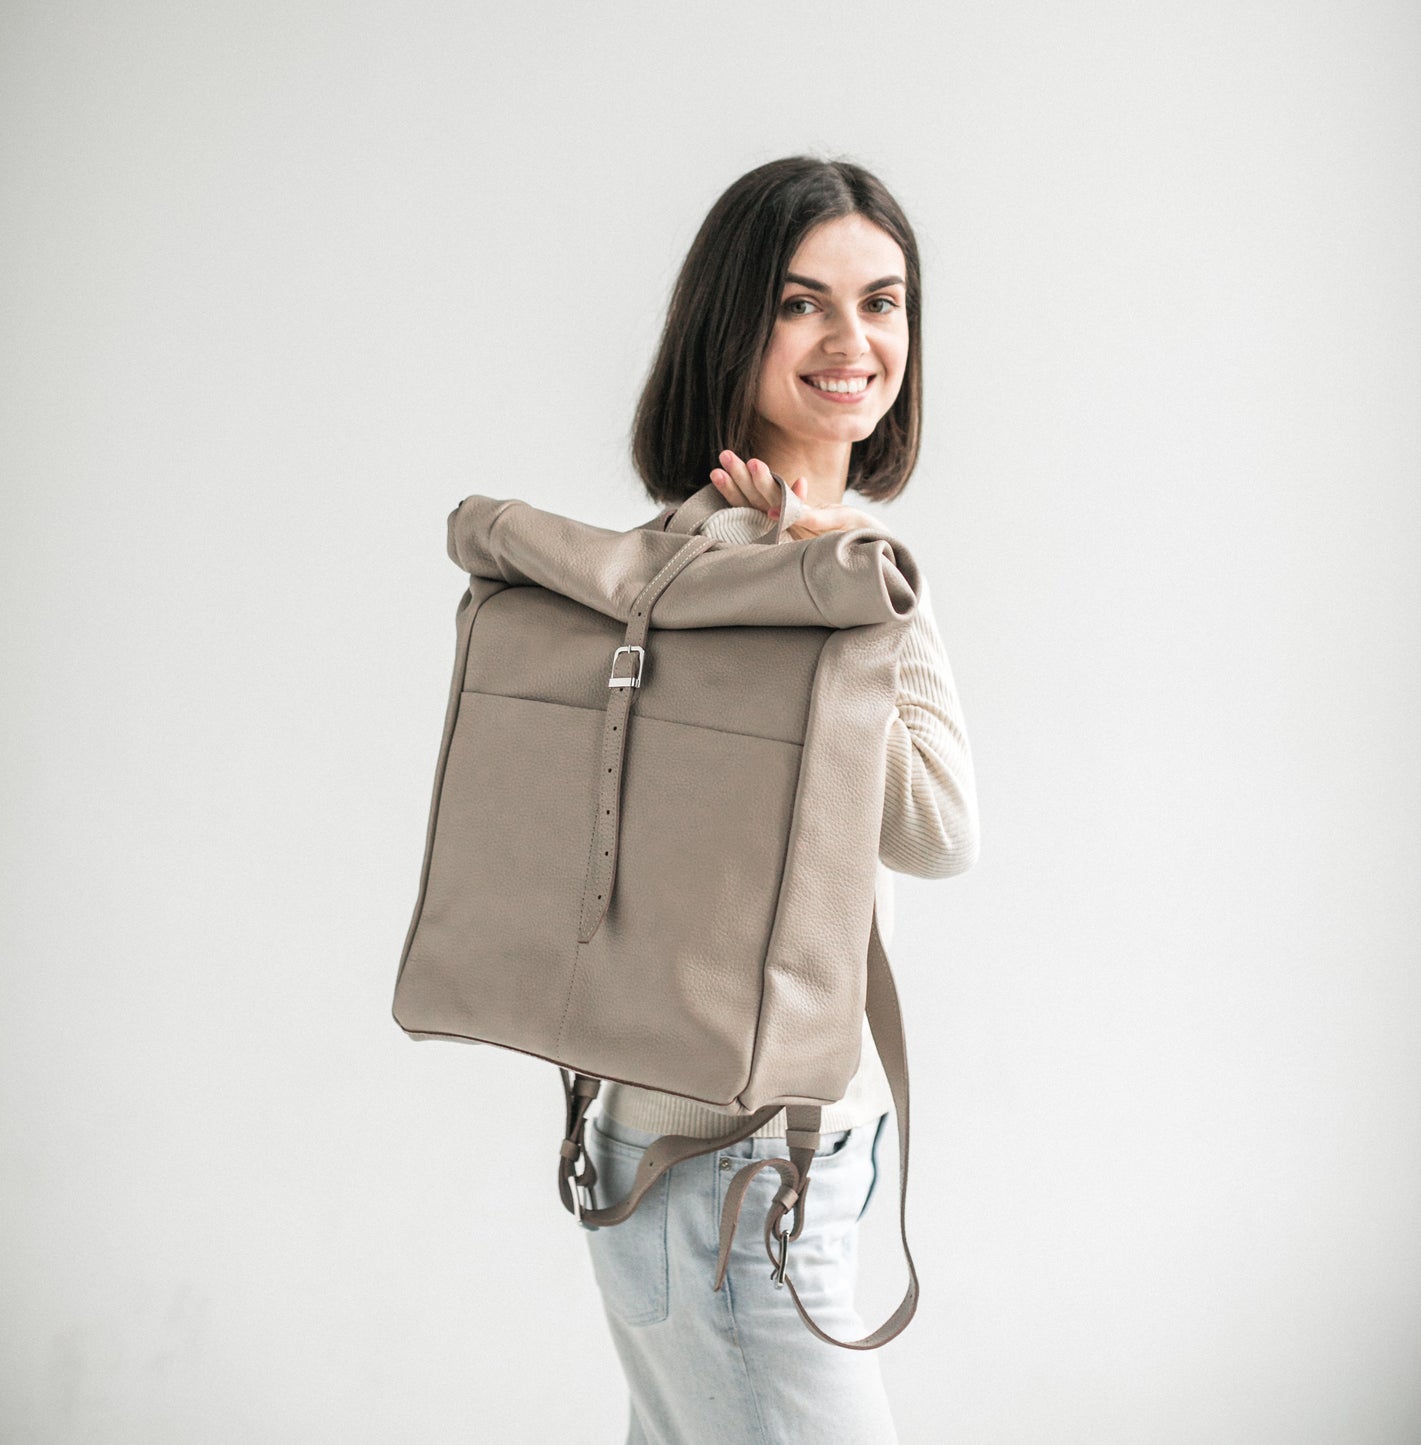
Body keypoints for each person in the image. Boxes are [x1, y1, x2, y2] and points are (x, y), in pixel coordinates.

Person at [583, 155, 981, 1445]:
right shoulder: (747, 570)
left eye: (882, 301)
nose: (853, 341)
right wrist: (854, 575)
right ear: (732, 326)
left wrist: (837, 551)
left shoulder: (764, 548)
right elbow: (937, 830)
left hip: (742, 1157)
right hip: (736, 1170)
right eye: (802, 302)